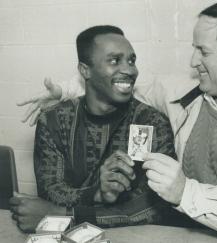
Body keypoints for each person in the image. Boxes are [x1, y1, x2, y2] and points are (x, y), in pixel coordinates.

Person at [17, 2, 217, 242]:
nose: (192, 61)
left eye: (203, 51)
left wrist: (186, 192)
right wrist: (66, 91)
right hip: (180, 234)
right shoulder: (181, 93)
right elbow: (117, 84)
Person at [10, 25, 181, 233]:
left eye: (131, 60)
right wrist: (96, 194)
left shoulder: (150, 122)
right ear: (85, 70)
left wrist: (67, 215)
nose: (129, 70)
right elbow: (51, 194)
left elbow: (152, 207)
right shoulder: (54, 120)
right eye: (114, 60)